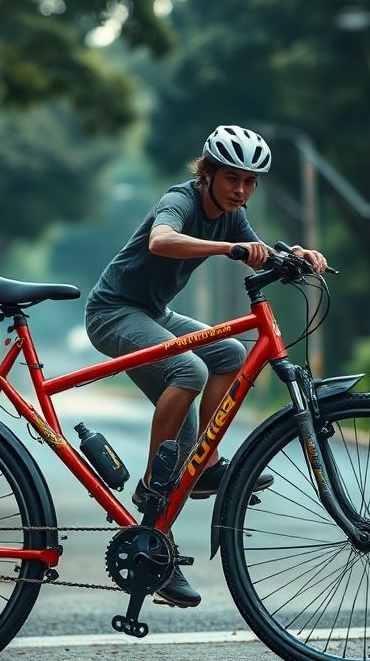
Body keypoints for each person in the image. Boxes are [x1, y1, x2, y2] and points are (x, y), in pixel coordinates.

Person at [85, 125, 328, 608]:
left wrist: (295, 255)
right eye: (232, 178)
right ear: (209, 173)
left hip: (153, 314)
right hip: (113, 312)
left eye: (250, 182)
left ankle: (194, 481)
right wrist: (226, 249)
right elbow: (162, 240)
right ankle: (156, 484)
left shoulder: (233, 216)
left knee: (231, 355)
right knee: (189, 372)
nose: (241, 189)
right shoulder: (182, 199)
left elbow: (261, 252)